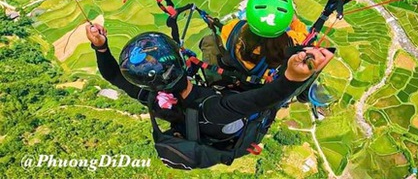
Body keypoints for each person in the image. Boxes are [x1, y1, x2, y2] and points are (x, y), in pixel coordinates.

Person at [85, 22, 334, 165]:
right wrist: (293, 77)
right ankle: (306, 93)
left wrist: (101, 47)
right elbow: (266, 98)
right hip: (230, 122)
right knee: (273, 95)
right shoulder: (213, 109)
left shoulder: (158, 102)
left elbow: (113, 76)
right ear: (182, 61)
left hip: (215, 122)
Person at [199, 0, 308, 88]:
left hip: (238, 69)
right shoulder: (293, 43)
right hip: (263, 80)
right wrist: (293, 19)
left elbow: (226, 31)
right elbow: (304, 34)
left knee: (209, 40)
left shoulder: (234, 29)